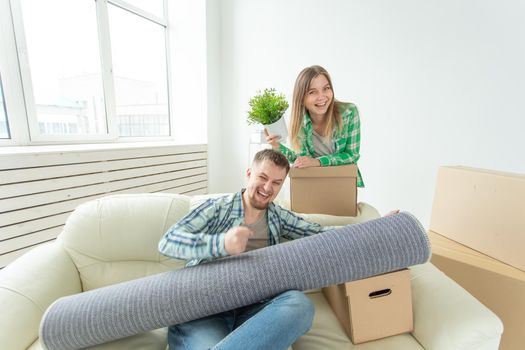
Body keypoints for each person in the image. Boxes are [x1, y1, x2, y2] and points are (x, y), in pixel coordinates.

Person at [158, 149, 333, 350]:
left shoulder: (278, 217)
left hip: (252, 310)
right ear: (249, 174)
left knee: (299, 305)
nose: (268, 188)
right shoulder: (217, 208)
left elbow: (320, 233)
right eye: (263, 177)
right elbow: (168, 242)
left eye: (276, 183)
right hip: (205, 311)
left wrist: (372, 228)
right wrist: (221, 244)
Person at [266, 65, 364, 187]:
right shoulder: (300, 121)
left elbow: (351, 156)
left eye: (326, 88)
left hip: (342, 184)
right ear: (301, 98)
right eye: (312, 92)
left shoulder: (349, 113)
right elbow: (302, 160)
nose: (322, 97)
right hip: (312, 184)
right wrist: (277, 146)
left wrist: (317, 162)